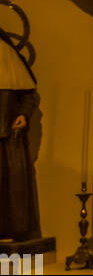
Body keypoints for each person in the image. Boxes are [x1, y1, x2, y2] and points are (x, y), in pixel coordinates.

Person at [0, 32, 40, 242]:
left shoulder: (8, 56)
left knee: (12, 187)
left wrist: (23, 114)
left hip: (9, 137)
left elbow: (29, 94)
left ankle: (9, 230)